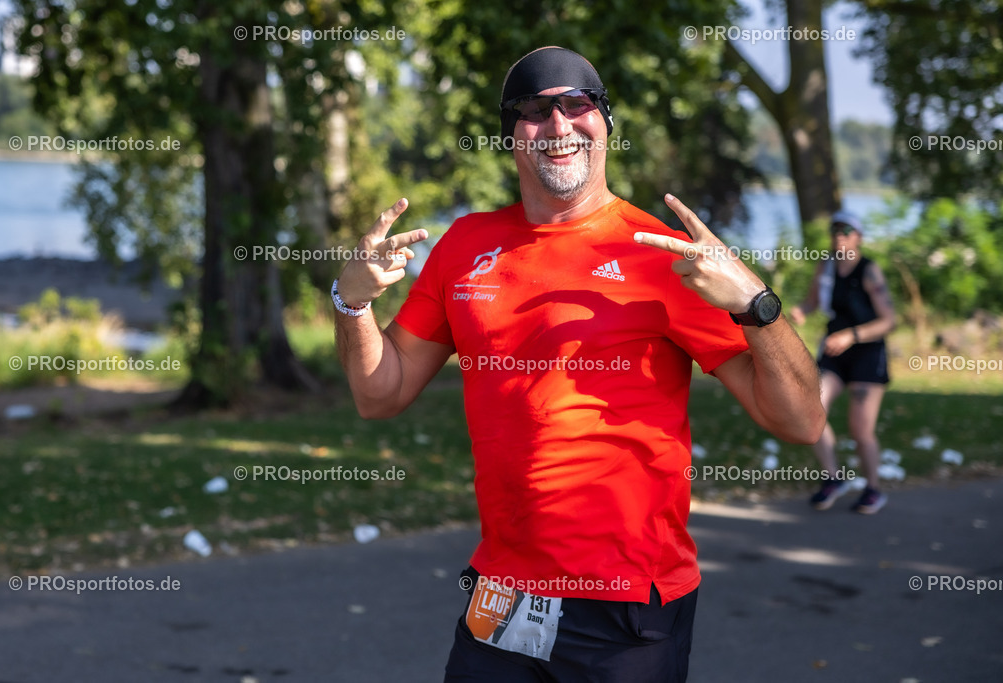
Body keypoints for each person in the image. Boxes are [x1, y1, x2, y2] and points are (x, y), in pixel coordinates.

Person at [333, 46, 824, 683]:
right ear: (510, 134)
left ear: (605, 122)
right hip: (502, 594)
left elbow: (802, 422)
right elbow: (380, 394)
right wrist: (351, 303)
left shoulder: (662, 257)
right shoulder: (466, 246)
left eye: (577, 105)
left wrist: (756, 306)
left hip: (626, 604)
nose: (559, 125)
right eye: (535, 110)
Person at [790, 211, 897, 514]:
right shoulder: (826, 267)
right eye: (835, 230)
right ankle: (833, 478)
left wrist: (852, 335)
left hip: (867, 352)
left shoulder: (869, 271)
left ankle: (873, 489)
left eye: (847, 231)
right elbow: (813, 300)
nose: (840, 236)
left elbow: (889, 321)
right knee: (811, 410)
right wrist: (802, 310)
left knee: (860, 429)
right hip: (835, 351)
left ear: (858, 237)